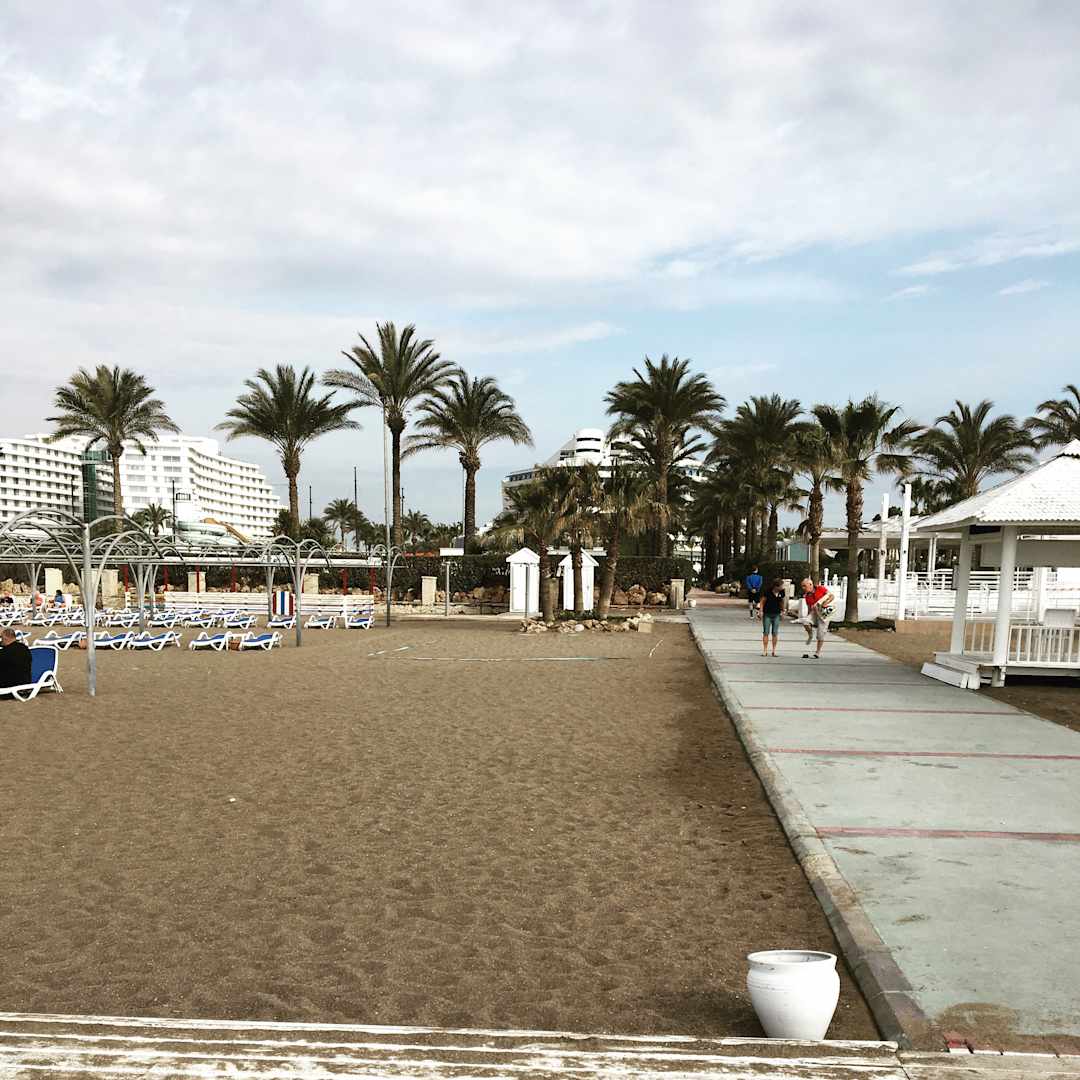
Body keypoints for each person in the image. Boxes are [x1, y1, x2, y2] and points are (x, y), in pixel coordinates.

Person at [800, 576, 836, 659]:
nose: (803, 588)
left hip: (824, 613)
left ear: (810, 584)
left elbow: (831, 596)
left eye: (804, 586)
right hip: (814, 612)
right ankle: (810, 635)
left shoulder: (820, 588)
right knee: (805, 622)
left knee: (820, 634)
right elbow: (809, 608)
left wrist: (826, 603)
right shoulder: (807, 596)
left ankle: (817, 652)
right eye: (802, 586)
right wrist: (809, 619)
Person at [0, 627, 32, 694]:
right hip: (25, 683)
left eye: (1, 638)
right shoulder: (25, 648)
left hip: (9, 685)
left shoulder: (4, 653)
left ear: (5, 638)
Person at [758, 579, 785, 656]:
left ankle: (774, 650)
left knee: (775, 632)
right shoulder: (768, 591)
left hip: (777, 614)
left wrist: (783, 611)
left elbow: (782, 602)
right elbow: (762, 601)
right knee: (766, 632)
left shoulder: (782, 592)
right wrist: (761, 611)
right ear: (776, 586)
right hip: (767, 614)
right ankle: (765, 650)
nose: (782, 587)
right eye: (781, 586)